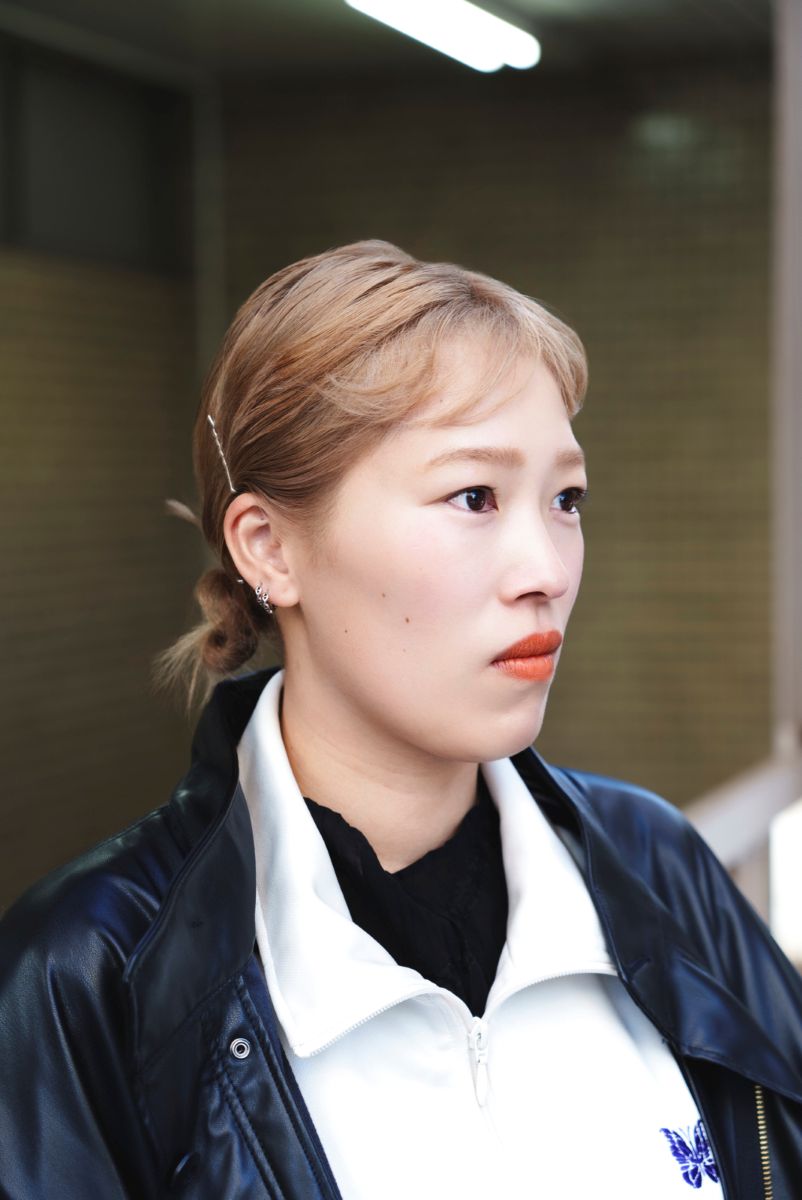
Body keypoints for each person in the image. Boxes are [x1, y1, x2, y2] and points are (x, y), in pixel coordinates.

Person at [1, 241, 801, 1200]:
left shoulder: (656, 862)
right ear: (270, 548)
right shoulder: (89, 976)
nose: (547, 569)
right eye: (474, 496)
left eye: (566, 499)